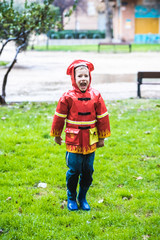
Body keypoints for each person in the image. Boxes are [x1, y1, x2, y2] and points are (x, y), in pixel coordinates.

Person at [50, 59, 111, 211]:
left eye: (86, 76)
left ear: (90, 78)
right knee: (74, 169)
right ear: (73, 78)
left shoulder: (96, 95)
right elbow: (59, 117)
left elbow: (102, 117)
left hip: (91, 139)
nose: (83, 79)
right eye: (80, 76)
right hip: (73, 139)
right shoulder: (67, 97)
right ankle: (71, 196)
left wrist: (102, 138)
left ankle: (82, 197)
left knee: (88, 171)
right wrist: (57, 135)